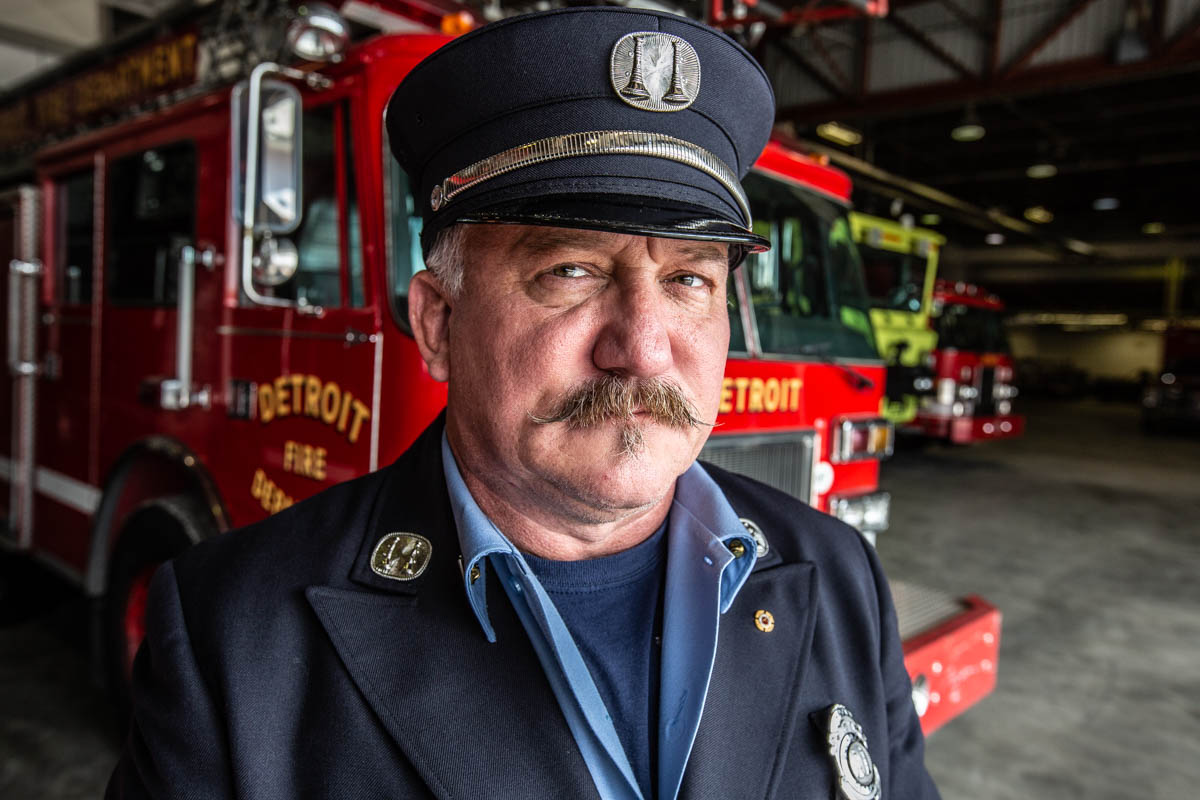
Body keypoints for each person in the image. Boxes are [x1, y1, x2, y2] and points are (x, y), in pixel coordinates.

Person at [107, 7, 939, 799]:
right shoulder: (229, 638)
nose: (644, 348)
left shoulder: (841, 577)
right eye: (571, 271)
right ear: (439, 323)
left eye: (689, 279)